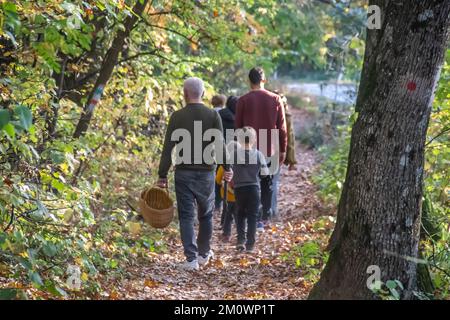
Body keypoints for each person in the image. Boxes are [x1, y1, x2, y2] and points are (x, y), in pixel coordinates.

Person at [157, 77, 232, 271]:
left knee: (187, 216)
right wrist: (227, 168)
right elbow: (219, 144)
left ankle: (190, 259)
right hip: (207, 173)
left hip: (183, 174)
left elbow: (168, 148)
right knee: (206, 215)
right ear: (203, 94)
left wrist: (162, 174)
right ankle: (203, 254)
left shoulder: (177, 116)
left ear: (184, 94)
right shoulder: (213, 116)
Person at [235, 67, 287, 231]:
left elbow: (237, 128)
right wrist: (283, 149)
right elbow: (282, 127)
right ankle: (263, 219)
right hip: (269, 146)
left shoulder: (242, 100)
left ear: (249, 81)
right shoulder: (275, 99)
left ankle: (253, 218)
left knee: (251, 183)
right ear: (264, 80)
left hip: (248, 148)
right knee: (267, 184)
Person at [232, 127, 269, 252]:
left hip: (239, 188)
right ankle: (250, 245)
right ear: (254, 140)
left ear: (239, 139)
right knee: (253, 216)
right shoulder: (258, 154)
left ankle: (240, 241)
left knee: (240, 214)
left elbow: (228, 169)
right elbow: (265, 173)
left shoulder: (234, 154)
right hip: (253, 188)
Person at [269, 90, 298, 219]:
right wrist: (291, 160)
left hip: (265, 146)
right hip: (277, 149)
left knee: (262, 180)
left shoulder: (268, 110)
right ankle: (272, 211)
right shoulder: (286, 115)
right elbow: (289, 136)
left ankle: (264, 210)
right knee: (273, 182)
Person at [215, 162, 236, 242]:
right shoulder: (243, 164)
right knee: (240, 216)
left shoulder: (223, 167)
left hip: (227, 196)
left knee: (228, 216)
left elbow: (218, 180)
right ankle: (241, 236)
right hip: (239, 195)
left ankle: (226, 234)